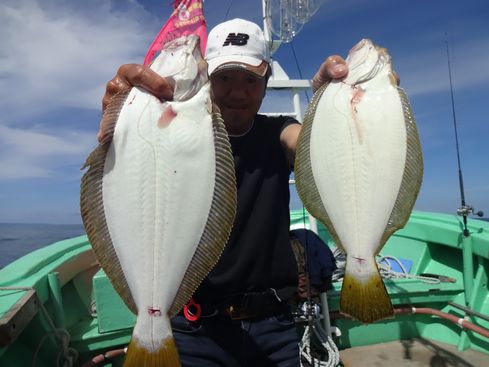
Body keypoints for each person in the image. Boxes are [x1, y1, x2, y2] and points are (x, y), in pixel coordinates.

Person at [100, 18, 348, 367]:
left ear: (264, 86)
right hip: (194, 328)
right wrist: (123, 119)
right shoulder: (170, 134)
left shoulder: (279, 131)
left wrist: (329, 101)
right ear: (205, 79)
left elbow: (310, 148)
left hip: (274, 326)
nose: (237, 92)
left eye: (251, 80)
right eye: (224, 78)